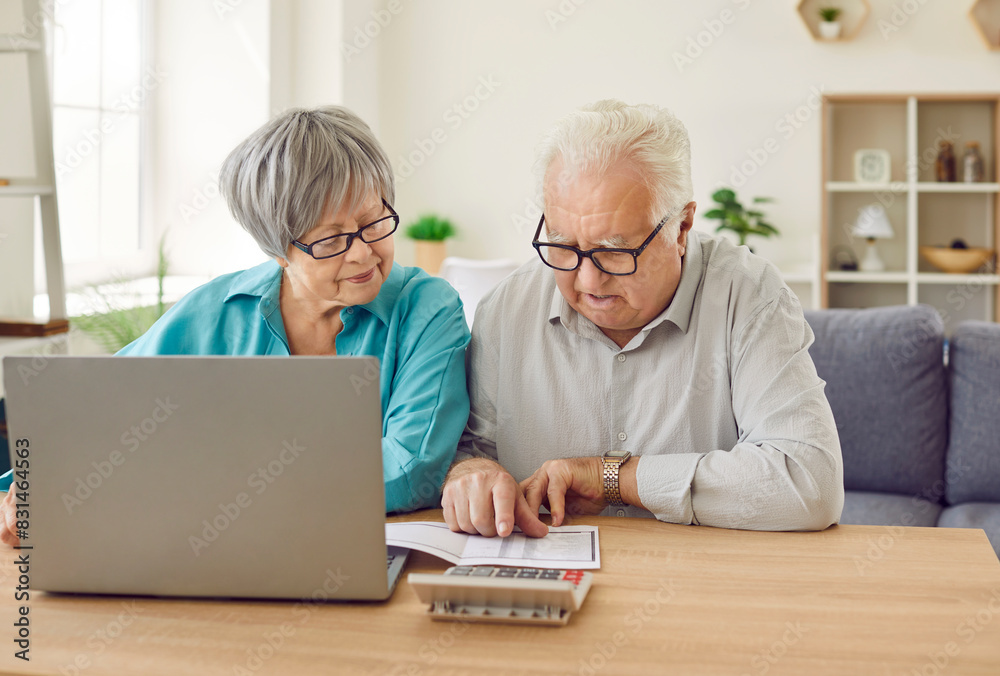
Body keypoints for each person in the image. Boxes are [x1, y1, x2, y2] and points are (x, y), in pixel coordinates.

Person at [0, 106, 470, 546]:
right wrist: (40, 476)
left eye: (374, 222)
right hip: (208, 549)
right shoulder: (213, 311)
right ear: (276, 249)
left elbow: (412, 468)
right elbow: (98, 411)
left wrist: (220, 486)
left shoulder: (426, 309)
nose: (364, 252)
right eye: (331, 240)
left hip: (353, 548)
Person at [441, 100, 843, 538]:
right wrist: (472, 474)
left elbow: (809, 483)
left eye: (615, 251)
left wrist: (615, 478)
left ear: (682, 227)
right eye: (563, 245)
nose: (588, 279)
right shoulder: (505, 310)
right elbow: (471, 450)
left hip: (702, 586)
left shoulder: (748, 296)